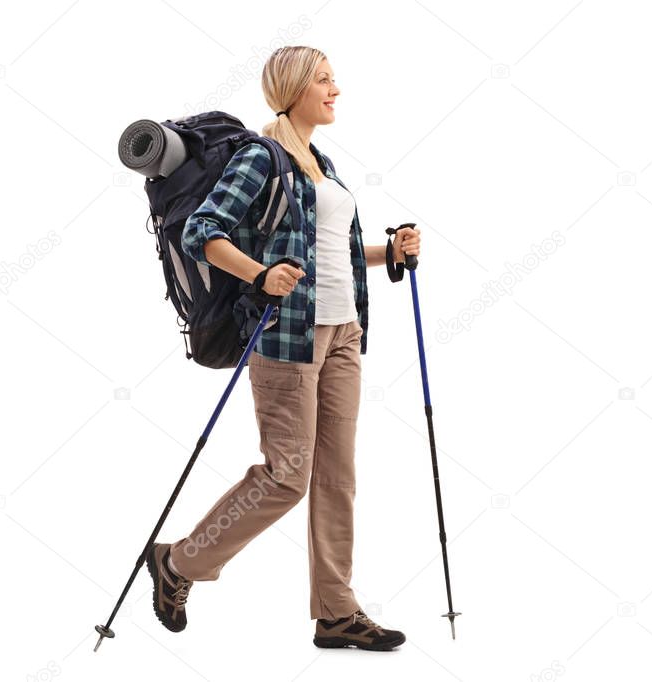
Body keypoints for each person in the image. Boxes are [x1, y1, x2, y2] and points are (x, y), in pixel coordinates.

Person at [143, 45, 421, 651]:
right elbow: (202, 232)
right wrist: (259, 274)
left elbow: (333, 254)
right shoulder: (260, 156)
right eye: (323, 79)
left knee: (336, 477)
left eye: (332, 78)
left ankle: (337, 612)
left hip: (344, 331)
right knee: (287, 477)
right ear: (294, 87)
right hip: (286, 337)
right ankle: (178, 563)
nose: (335, 89)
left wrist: (389, 252)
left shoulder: (319, 162)